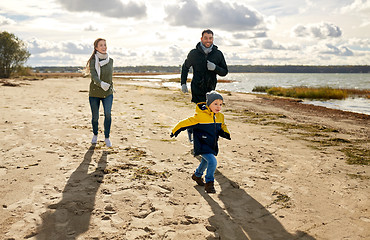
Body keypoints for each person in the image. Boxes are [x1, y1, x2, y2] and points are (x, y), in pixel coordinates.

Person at [170, 91, 231, 193]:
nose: (218, 107)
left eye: (220, 104)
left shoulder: (220, 116)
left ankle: (197, 175)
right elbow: (184, 123)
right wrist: (175, 130)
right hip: (201, 144)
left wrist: (225, 133)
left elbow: (222, 126)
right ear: (208, 104)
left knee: (205, 161)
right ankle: (209, 184)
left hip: (212, 144)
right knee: (212, 162)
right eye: (215, 104)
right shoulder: (200, 116)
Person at [180, 29, 228, 104]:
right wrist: (183, 83)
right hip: (196, 89)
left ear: (213, 39)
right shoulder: (194, 53)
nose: (208, 40)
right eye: (205, 38)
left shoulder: (218, 54)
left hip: (211, 90)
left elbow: (224, 72)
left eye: (210, 38)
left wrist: (215, 68)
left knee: (209, 112)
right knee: (200, 112)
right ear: (201, 39)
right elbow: (185, 68)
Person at [86, 38, 114, 147]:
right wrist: (101, 84)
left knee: (108, 114)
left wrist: (110, 86)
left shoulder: (111, 61)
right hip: (94, 93)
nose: (104, 47)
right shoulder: (93, 61)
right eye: (101, 45)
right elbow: (93, 76)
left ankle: (107, 137)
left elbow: (110, 77)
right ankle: (95, 134)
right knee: (95, 117)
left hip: (108, 93)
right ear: (96, 48)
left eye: (105, 45)